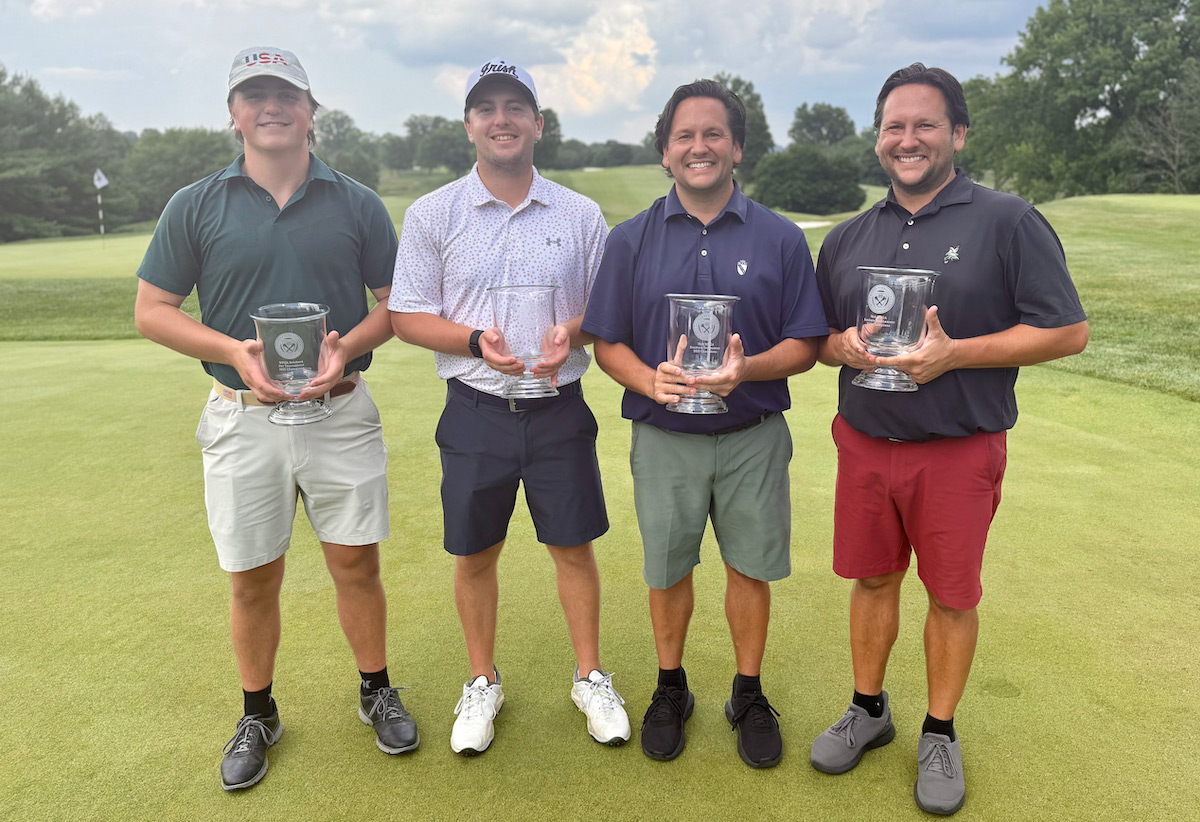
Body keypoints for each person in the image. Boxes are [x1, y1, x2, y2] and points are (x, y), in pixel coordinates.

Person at [134, 47, 417, 792]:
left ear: (310, 109)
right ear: (233, 113)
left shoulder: (356, 202)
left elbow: (396, 306)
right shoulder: (194, 204)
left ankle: (375, 689)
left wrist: (345, 350)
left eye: (285, 92)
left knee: (356, 564)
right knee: (252, 577)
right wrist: (233, 348)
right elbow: (152, 311)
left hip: (340, 410)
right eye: (253, 94)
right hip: (241, 416)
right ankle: (258, 712)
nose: (271, 105)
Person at [808, 63, 1088, 815]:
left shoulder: (1007, 220)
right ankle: (868, 710)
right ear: (877, 141)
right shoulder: (847, 238)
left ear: (957, 134)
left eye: (925, 124)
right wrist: (842, 347)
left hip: (959, 446)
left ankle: (939, 730)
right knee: (871, 580)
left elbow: (1067, 332)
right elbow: (821, 341)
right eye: (894, 127)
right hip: (866, 439)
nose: (909, 139)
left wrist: (957, 352)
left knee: (951, 594)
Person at [582, 79, 828, 768]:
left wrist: (746, 371)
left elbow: (806, 344)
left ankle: (747, 692)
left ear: (737, 147)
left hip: (752, 434)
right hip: (665, 438)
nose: (699, 147)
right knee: (667, 571)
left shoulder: (778, 237)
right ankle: (672, 688)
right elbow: (608, 342)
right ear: (665, 152)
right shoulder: (629, 241)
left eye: (713, 133)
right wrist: (647, 379)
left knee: (750, 568)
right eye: (685, 136)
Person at [387, 58, 630, 755]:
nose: (502, 119)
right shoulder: (434, 213)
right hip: (475, 406)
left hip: (558, 404)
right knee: (474, 553)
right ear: (469, 125)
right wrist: (471, 340)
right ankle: (482, 681)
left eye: (515, 107)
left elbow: (603, 309)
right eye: (487, 108)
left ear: (538, 124)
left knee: (573, 547)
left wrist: (571, 332)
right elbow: (407, 314)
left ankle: (589, 676)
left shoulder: (580, 214)